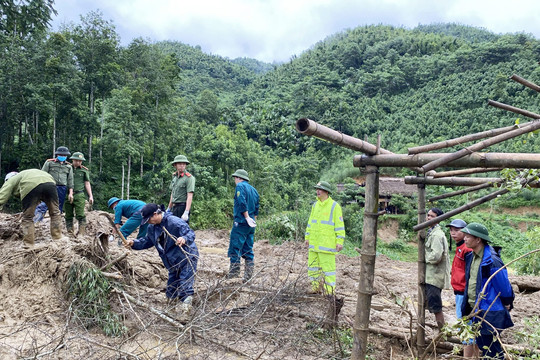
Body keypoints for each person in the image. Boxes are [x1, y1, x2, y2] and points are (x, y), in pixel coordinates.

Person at [124, 203, 198, 314]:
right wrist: (134, 243)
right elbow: (148, 241)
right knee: (171, 287)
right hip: (171, 260)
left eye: (149, 219)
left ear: (155, 214)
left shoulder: (174, 222)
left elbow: (190, 233)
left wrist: (184, 238)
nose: (148, 222)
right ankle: (170, 310)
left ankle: (185, 313)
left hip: (186, 257)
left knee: (185, 286)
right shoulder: (152, 227)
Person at [460, 223, 514, 359]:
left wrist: (508, 301)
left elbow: (504, 286)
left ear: (478, 239)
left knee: (492, 351)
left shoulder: (492, 261)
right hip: (476, 309)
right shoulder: (471, 257)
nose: (464, 238)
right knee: (482, 344)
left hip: (490, 311)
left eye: (468, 236)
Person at [0, 170, 63, 248]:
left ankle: (29, 244)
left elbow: (2, 196)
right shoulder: (25, 174)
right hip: (50, 182)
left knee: (28, 218)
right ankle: (58, 238)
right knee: (55, 213)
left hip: (31, 185)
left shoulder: (11, 180)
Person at [305, 181, 345, 296]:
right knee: (313, 269)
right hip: (314, 244)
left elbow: (339, 226)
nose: (317, 191)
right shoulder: (315, 205)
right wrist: (307, 237)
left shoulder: (334, 206)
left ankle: (329, 293)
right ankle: (315, 288)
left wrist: (340, 241)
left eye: (320, 189)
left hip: (327, 245)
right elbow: (310, 223)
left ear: (326, 192)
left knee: (328, 270)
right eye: (317, 189)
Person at [447, 219, 479, 358]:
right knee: (470, 326)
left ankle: (468, 357)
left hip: (464, 293)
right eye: (451, 230)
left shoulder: (466, 250)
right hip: (460, 292)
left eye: (457, 230)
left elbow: (470, 274)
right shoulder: (460, 247)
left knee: (465, 327)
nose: (453, 233)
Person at [227, 169, 260, 282]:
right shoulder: (254, 190)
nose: (235, 180)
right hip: (250, 225)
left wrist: (246, 217)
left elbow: (241, 202)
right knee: (248, 248)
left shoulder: (240, 187)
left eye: (235, 178)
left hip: (241, 222)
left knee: (235, 247)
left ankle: (234, 274)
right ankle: (248, 276)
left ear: (239, 178)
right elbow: (256, 208)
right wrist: (252, 221)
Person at [425, 207, 450, 330]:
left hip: (434, 277)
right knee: (430, 303)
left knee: (436, 306)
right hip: (431, 276)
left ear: (438, 219)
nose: (428, 218)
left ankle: (443, 331)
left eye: (432, 216)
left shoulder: (436, 235)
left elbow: (436, 256)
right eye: (428, 215)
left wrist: (424, 258)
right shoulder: (432, 232)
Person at [34, 146, 74, 222]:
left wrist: (71, 193)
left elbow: (70, 180)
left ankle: (55, 226)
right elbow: (42, 175)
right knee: (44, 205)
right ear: (57, 155)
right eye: (61, 155)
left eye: (64, 155)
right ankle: (35, 221)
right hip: (50, 186)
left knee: (58, 208)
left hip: (62, 188)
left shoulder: (68, 166)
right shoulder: (49, 163)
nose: (62, 157)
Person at [64, 152, 94, 237]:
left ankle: (81, 233)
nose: (78, 162)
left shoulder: (84, 171)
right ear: (72, 160)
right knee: (68, 215)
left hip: (79, 194)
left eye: (80, 161)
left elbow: (87, 183)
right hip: (67, 194)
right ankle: (70, 233)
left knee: (80, 214)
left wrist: (90, 196)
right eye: (76, 160)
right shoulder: (67, 168)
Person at [167, 155, 195, 222]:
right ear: (175, 165)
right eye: (179, 164)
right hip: (174, 207)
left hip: (182, 207)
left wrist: (186, 212)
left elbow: (190, 196)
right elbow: (172, 193)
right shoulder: (175, 177)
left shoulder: (189, 178)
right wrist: (169, 208)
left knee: (182, 230)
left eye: (184, 164)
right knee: (172, 229)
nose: (182, 165)